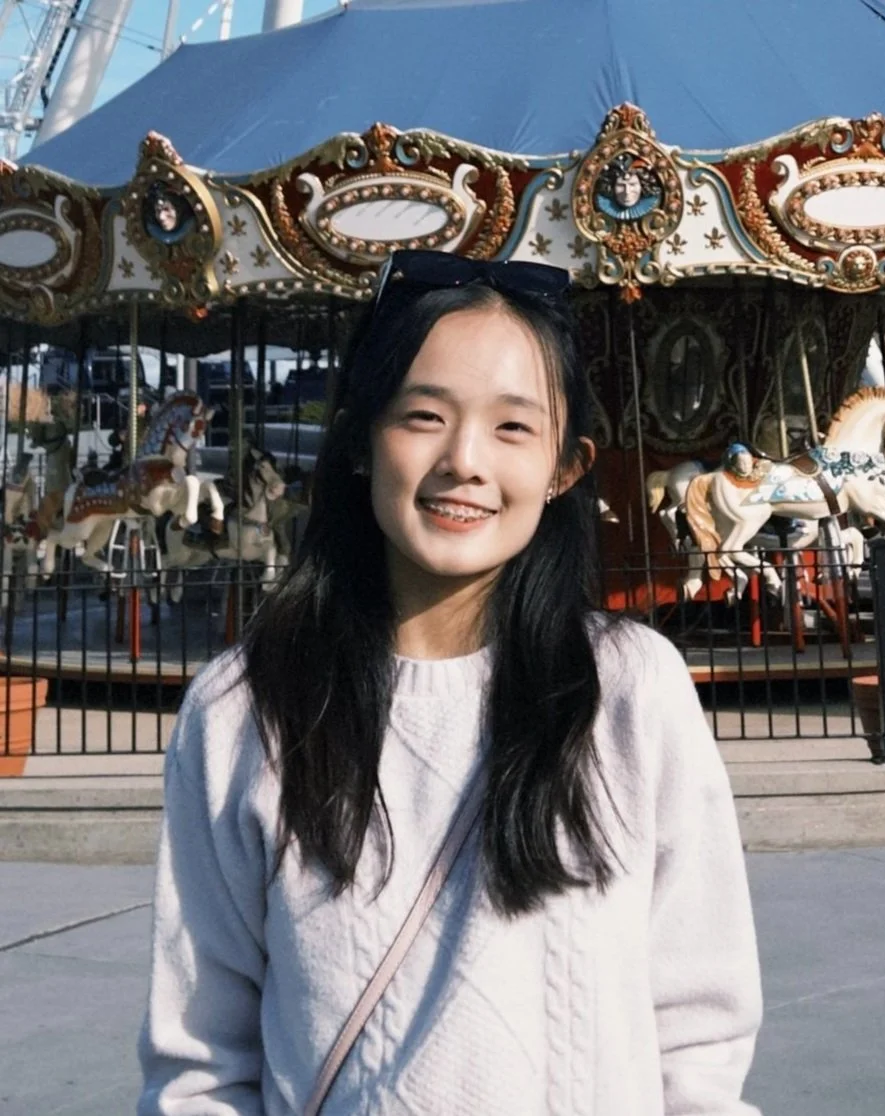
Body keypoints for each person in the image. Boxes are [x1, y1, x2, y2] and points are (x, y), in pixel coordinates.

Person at [137, 250, 763, 1115]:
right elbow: (202, 1060)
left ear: (566, 466)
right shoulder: (246, 711)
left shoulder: (629, 692)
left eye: (513, 428)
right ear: (361, 439)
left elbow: (699, 1028)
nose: (464, 461)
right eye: (423, 416)